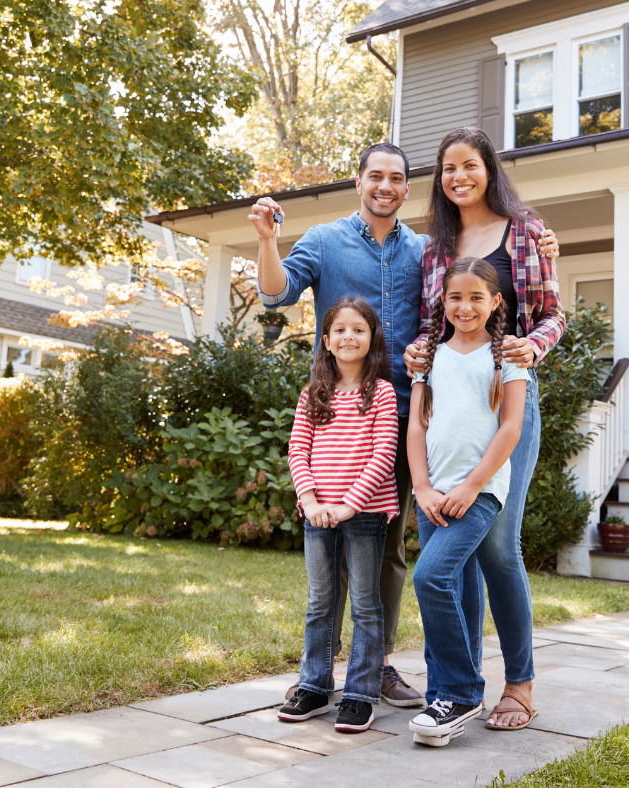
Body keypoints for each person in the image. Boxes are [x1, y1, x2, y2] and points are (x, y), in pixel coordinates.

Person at [249, 142, 560, 707]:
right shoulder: (336, 241)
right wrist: (268, 240)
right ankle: (330, 675)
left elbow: (530, 309)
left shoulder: (444, 244)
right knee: (352, 546)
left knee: (409, 548)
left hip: (443, 405)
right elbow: (276, 294)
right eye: (375, 176)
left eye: (397, 178)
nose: (385, 186)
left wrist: (528, 336)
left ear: (410, 188)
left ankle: (389, 667)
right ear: (359, 181)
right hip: (364, 413)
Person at [404, 127, 565, 731]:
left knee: (499, 547)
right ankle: (459, 686)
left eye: (469, 165)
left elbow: (553, 314)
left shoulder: (525, 229)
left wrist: (529, 348)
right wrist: (419, 356)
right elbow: (431, 324)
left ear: (488, 169)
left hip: (507, 396)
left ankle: (519, 685)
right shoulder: (434, 245)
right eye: (447, 168)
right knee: (456, 552)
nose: (458, 176)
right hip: (450, 403)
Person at [407, 258, 529, 746]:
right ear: (443, 300)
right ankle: (444, 696)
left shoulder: (509, 357)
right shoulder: (428, 357)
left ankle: (461, 692)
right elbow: (416, 425)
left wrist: (472, 485)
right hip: (432, 490)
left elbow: (511, 428)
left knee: (431, 575)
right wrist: (422, 487)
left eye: (477, 297)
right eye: (456, 296)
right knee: (448, 585)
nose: (465, 306)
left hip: (478, 492)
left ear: (495, 302)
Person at [278, 296, 399, 733]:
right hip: (317, 513)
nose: (349, 336)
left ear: (372, 339)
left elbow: (385, 452)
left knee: (366, 605)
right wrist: (310, 502)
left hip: (364, 512)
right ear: (326, 341)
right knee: (320, 603)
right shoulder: (314, 394)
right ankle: (313, 685)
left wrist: (352, 502)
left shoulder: (381, 393)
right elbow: (298, 450)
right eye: (340, 330)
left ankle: (361, 694)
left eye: (359, 329)